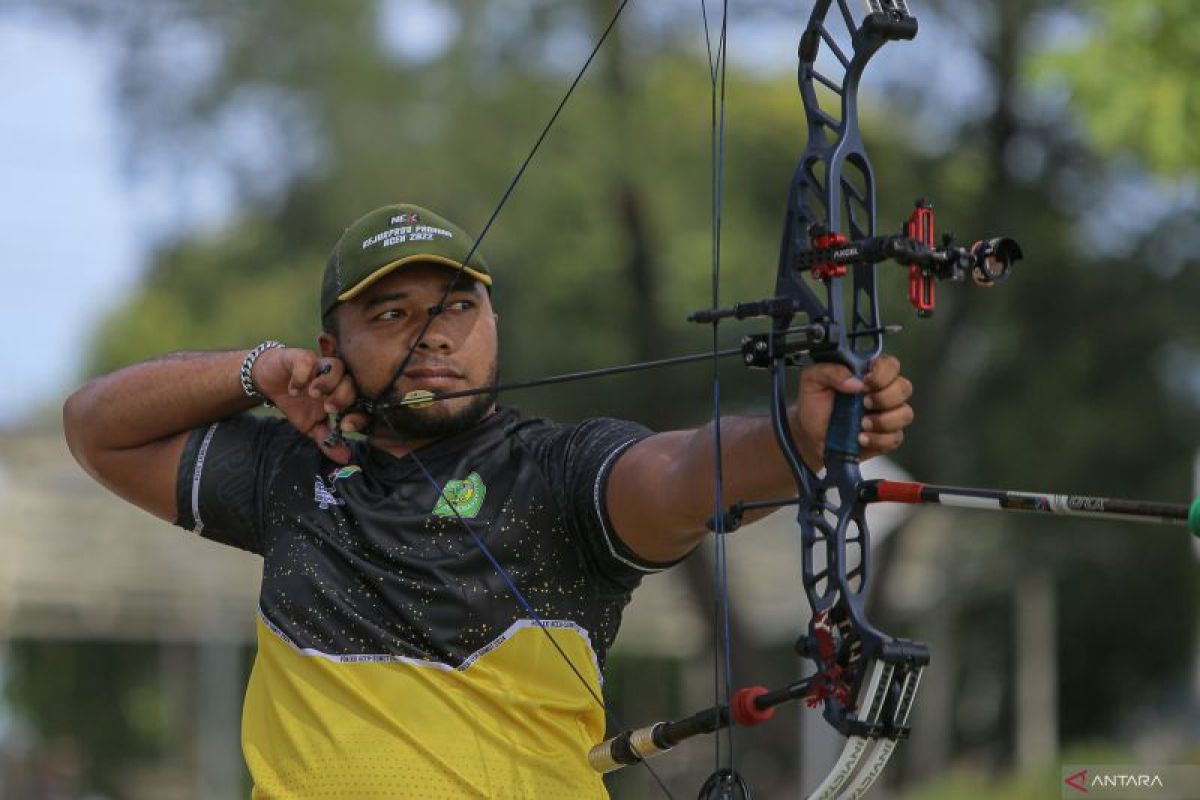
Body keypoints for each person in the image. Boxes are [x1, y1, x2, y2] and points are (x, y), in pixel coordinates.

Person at [63, 203, 914, 799]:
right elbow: (97, 428)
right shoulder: (291, 473)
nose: (434, 333)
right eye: (392, 313)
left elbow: (685, 471)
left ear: (494, 326)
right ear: (332, 348)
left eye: (459, 306)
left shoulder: (553, 473)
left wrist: (799, 440)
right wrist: (255, 370)